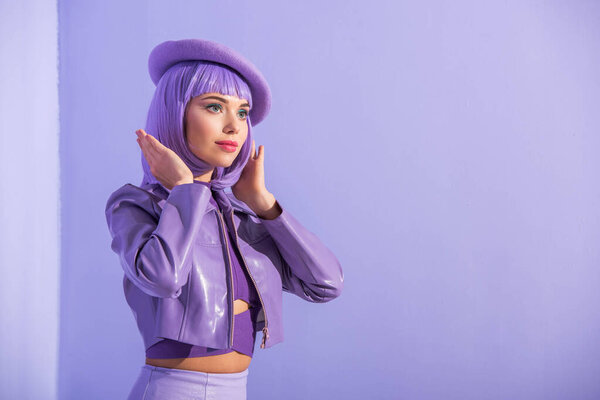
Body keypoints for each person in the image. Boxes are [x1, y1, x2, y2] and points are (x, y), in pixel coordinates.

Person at [104, 38, 344, 399]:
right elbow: (162, 278)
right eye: (215, 107)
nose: (234, 126)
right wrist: (185, 190)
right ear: (176, 112)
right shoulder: (136, 204)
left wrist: (264, 204)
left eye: (243, 112)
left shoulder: (241, 218)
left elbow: (326, 285)